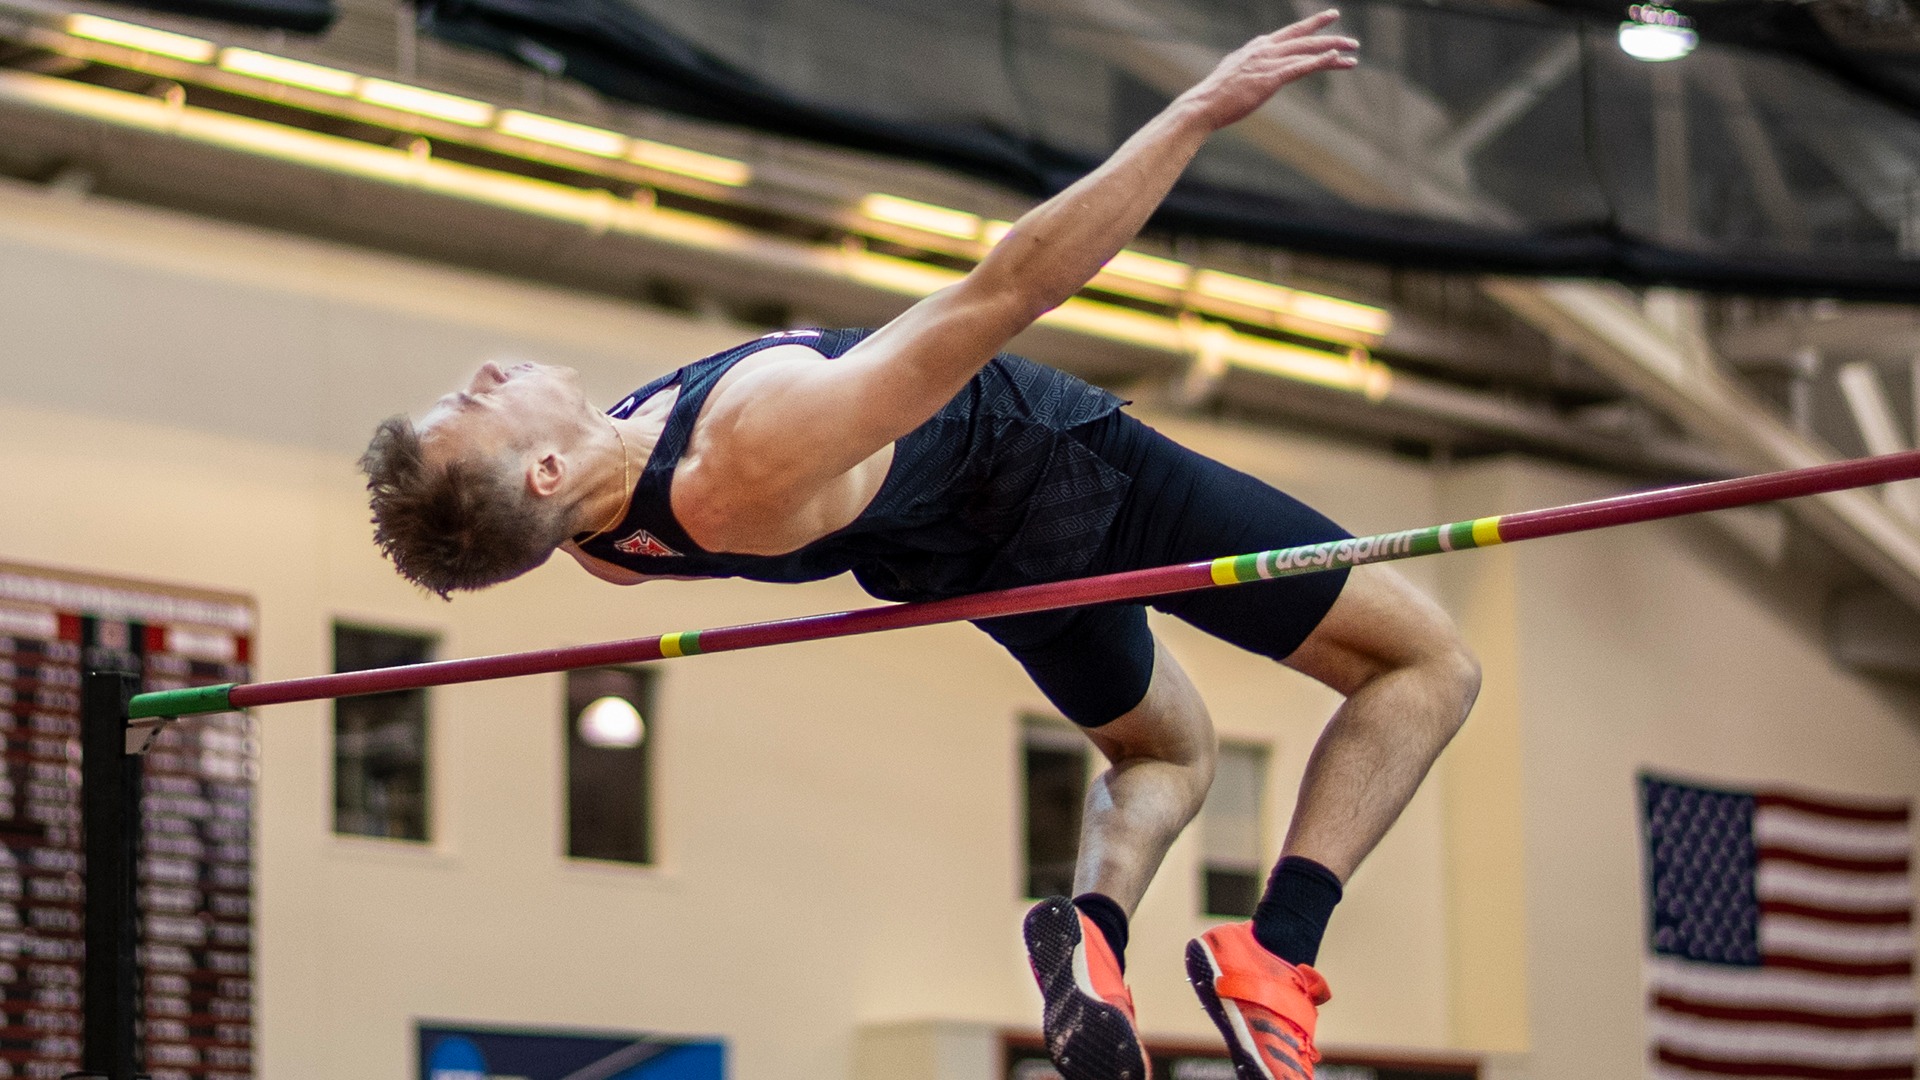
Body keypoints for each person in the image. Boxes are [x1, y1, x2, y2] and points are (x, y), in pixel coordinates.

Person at [359, 12, 1478, 1080]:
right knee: (1424, 666)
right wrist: (1193, 111)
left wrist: (439, 516)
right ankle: (1278, 957)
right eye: (476, 399)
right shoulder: (755, 441)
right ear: (543, 475)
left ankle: (1095, 932)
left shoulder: (603, 544)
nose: (493, 372)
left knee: (1168, 754)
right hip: (1059, 470)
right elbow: (1015, 286)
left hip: (966, 565)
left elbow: (477, 531)